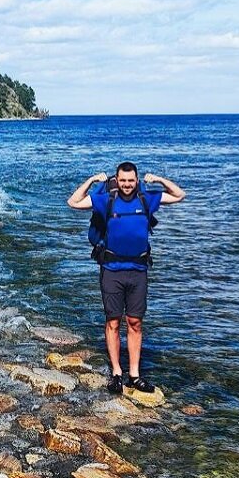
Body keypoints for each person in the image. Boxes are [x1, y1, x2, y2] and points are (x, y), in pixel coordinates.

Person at [67, 161, 186, 394]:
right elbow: (73, 202)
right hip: (112, 271)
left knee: (135, 322)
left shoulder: (146, 199)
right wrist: (92, 181)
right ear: (117, 180)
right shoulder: (107, 200)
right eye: (123, 180)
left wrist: (159, 180)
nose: (127, 184)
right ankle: (116, 373)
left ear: (137, 180)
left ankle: (135, 375)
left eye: (131, 180)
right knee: (113, 321)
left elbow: (179, 195)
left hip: (138, 272)